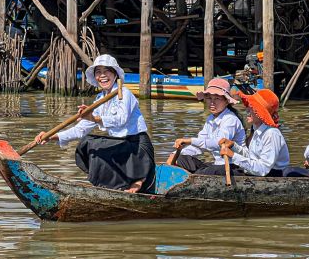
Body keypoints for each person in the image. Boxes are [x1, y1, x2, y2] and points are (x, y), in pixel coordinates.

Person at [35, 54, 155, 193]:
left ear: (115, 74)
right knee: (87, 144)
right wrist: (51, 136)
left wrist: (93, 118)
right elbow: (80, 130)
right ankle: (115, 184)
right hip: (121, 147)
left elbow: (121, 119)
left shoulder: (124, 93)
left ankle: (138, 179)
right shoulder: (99, 100)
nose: (102, 75)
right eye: (98, 72)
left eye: (107, 71)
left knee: (95, 143)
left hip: (138, 148)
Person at [172, 78, 246, 173]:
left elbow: (218, 143)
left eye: (217, 98)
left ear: (227, 101)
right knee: (182, 159)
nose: (212, 103)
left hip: (234, 166)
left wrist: (190, 141)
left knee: (208, 171)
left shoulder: (230, 119)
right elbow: (199, 144)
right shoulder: (210, 119)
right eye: (209, 98)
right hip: (218, 165)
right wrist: (175, 155)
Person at [213, 89, 289, 177]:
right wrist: (233, 146)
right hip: (260, 172)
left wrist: (233, 156)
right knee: (214, 169)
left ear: (260, 113)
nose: (247, 111)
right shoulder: (257, 129)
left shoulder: (271, 134)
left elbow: (263, 169)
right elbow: (252, 158)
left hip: (272, 175)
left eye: (252, 108)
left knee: (217, 171)